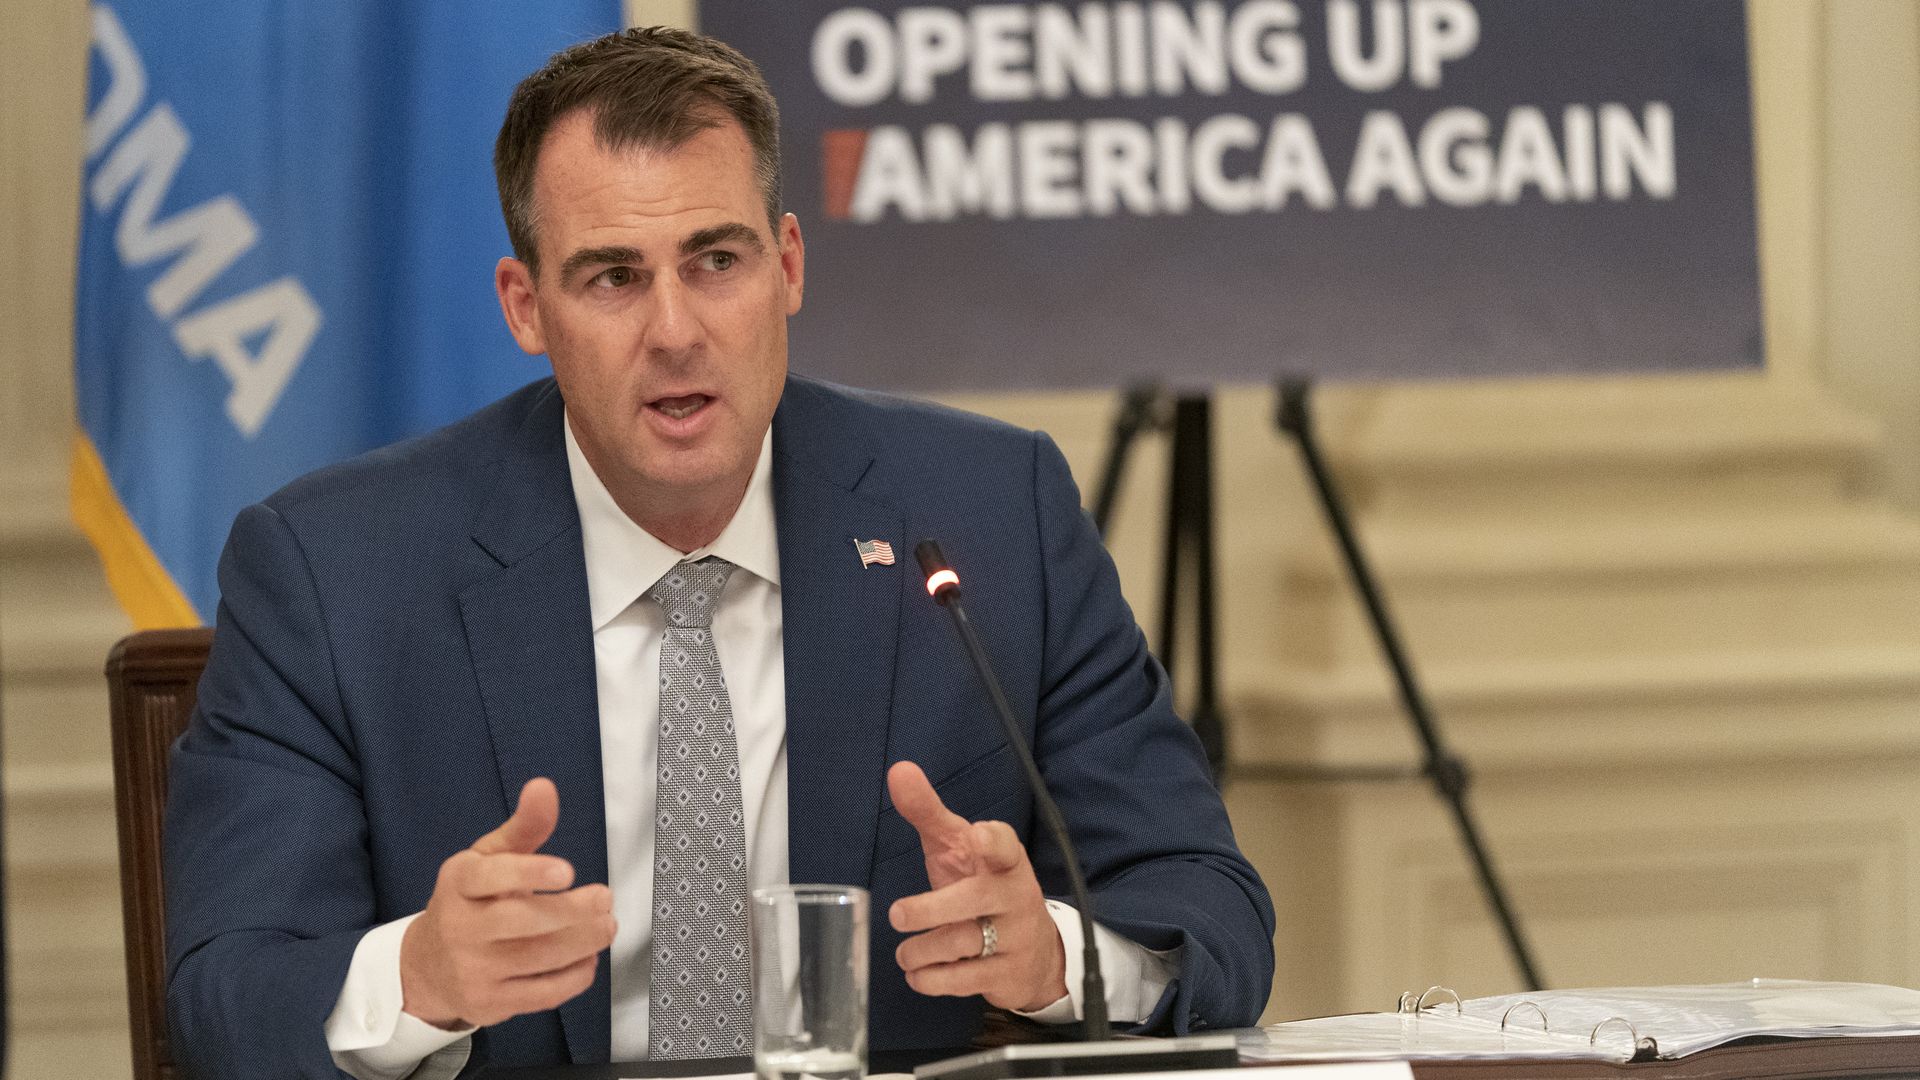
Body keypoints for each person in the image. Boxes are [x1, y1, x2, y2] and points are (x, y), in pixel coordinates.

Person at [164, 26, 1275, 1079]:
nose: (678, 332)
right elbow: (227, 995)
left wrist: (1058, 960)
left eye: (715, 260)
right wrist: (420, 976)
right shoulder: (333, 571)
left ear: (787, 265)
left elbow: (1211, 913)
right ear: (525, 307)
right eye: (613, 277)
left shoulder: (993, 514)